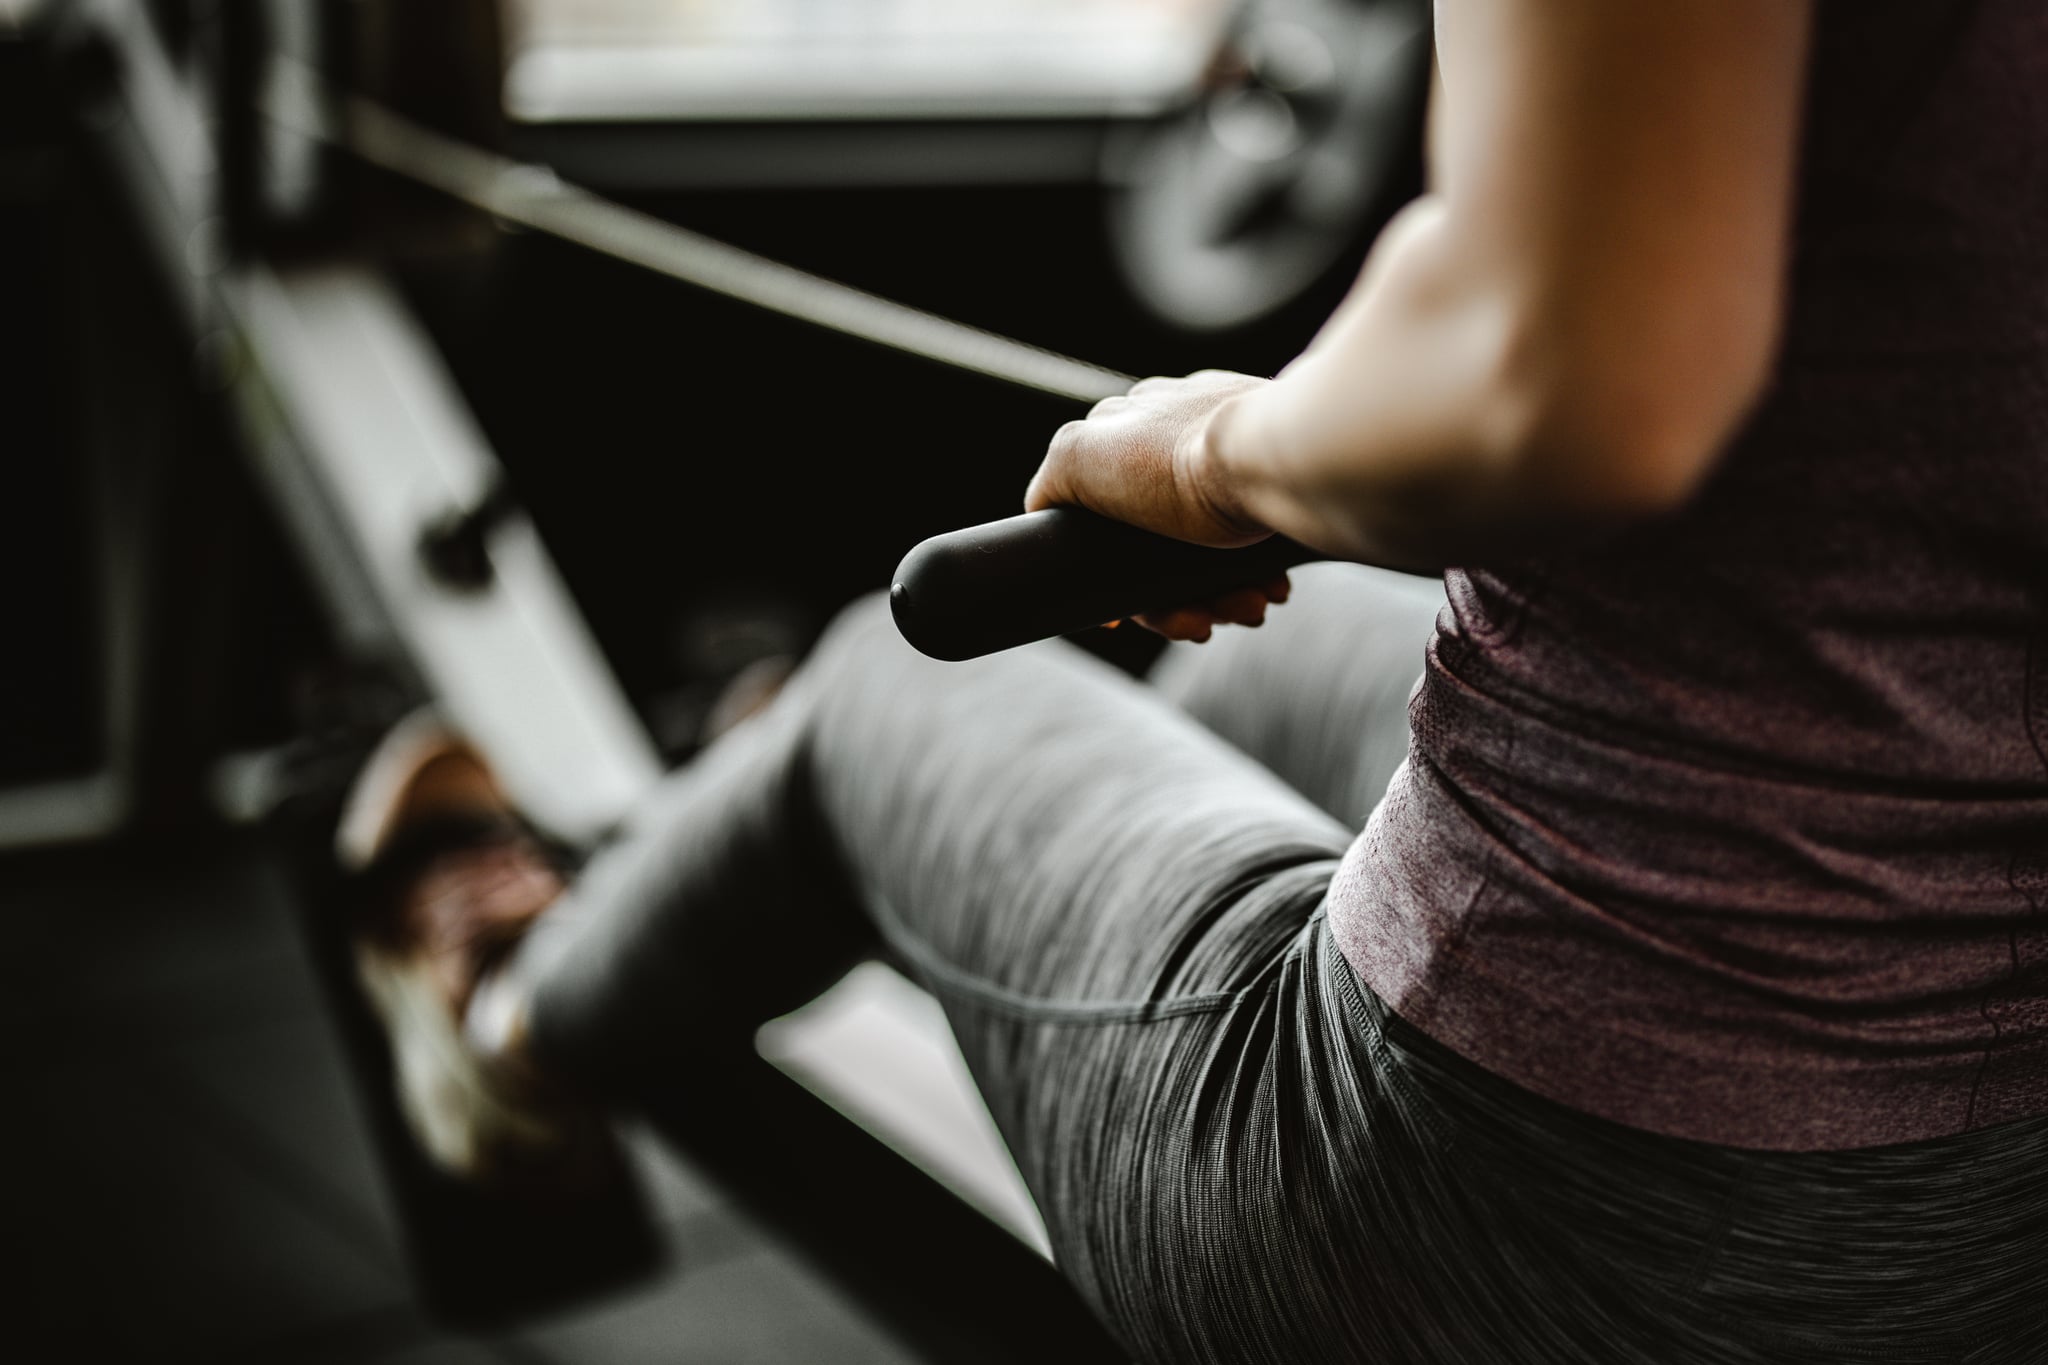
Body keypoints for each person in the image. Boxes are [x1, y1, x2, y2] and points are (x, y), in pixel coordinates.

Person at [341, 3, 2048, 1361]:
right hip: (1997, 1195)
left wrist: (1214, 454)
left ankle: (511, 1034)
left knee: (887, 689)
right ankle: (803, 839)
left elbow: (1570, 383)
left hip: (1523, 1217)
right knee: (1250, 659)